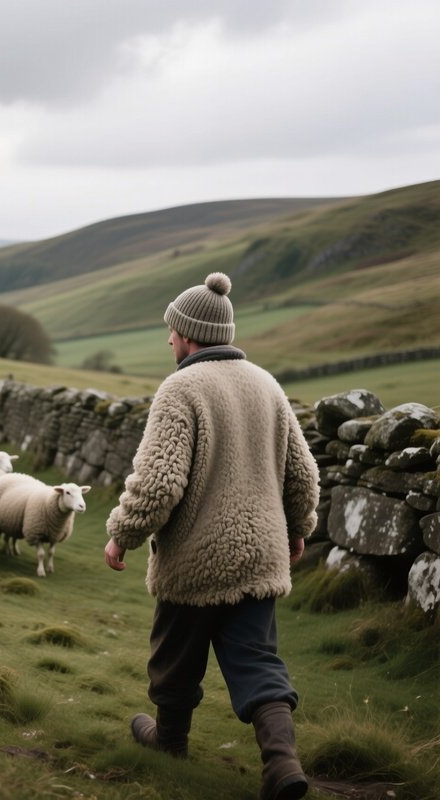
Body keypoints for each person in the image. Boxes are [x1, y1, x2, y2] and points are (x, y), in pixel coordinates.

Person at [104, 272, 319, 800]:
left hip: (197, 557)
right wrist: (298, 529)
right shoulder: (266, 384)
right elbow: (302, 473)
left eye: (172, 331)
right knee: (258, 661)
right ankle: (282, 763)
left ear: (188, 334)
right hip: (262, 555)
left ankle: (169, 742)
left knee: (175, 657)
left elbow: (159, 481)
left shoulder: (181, 388)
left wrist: (121, 533)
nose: (169, 340)